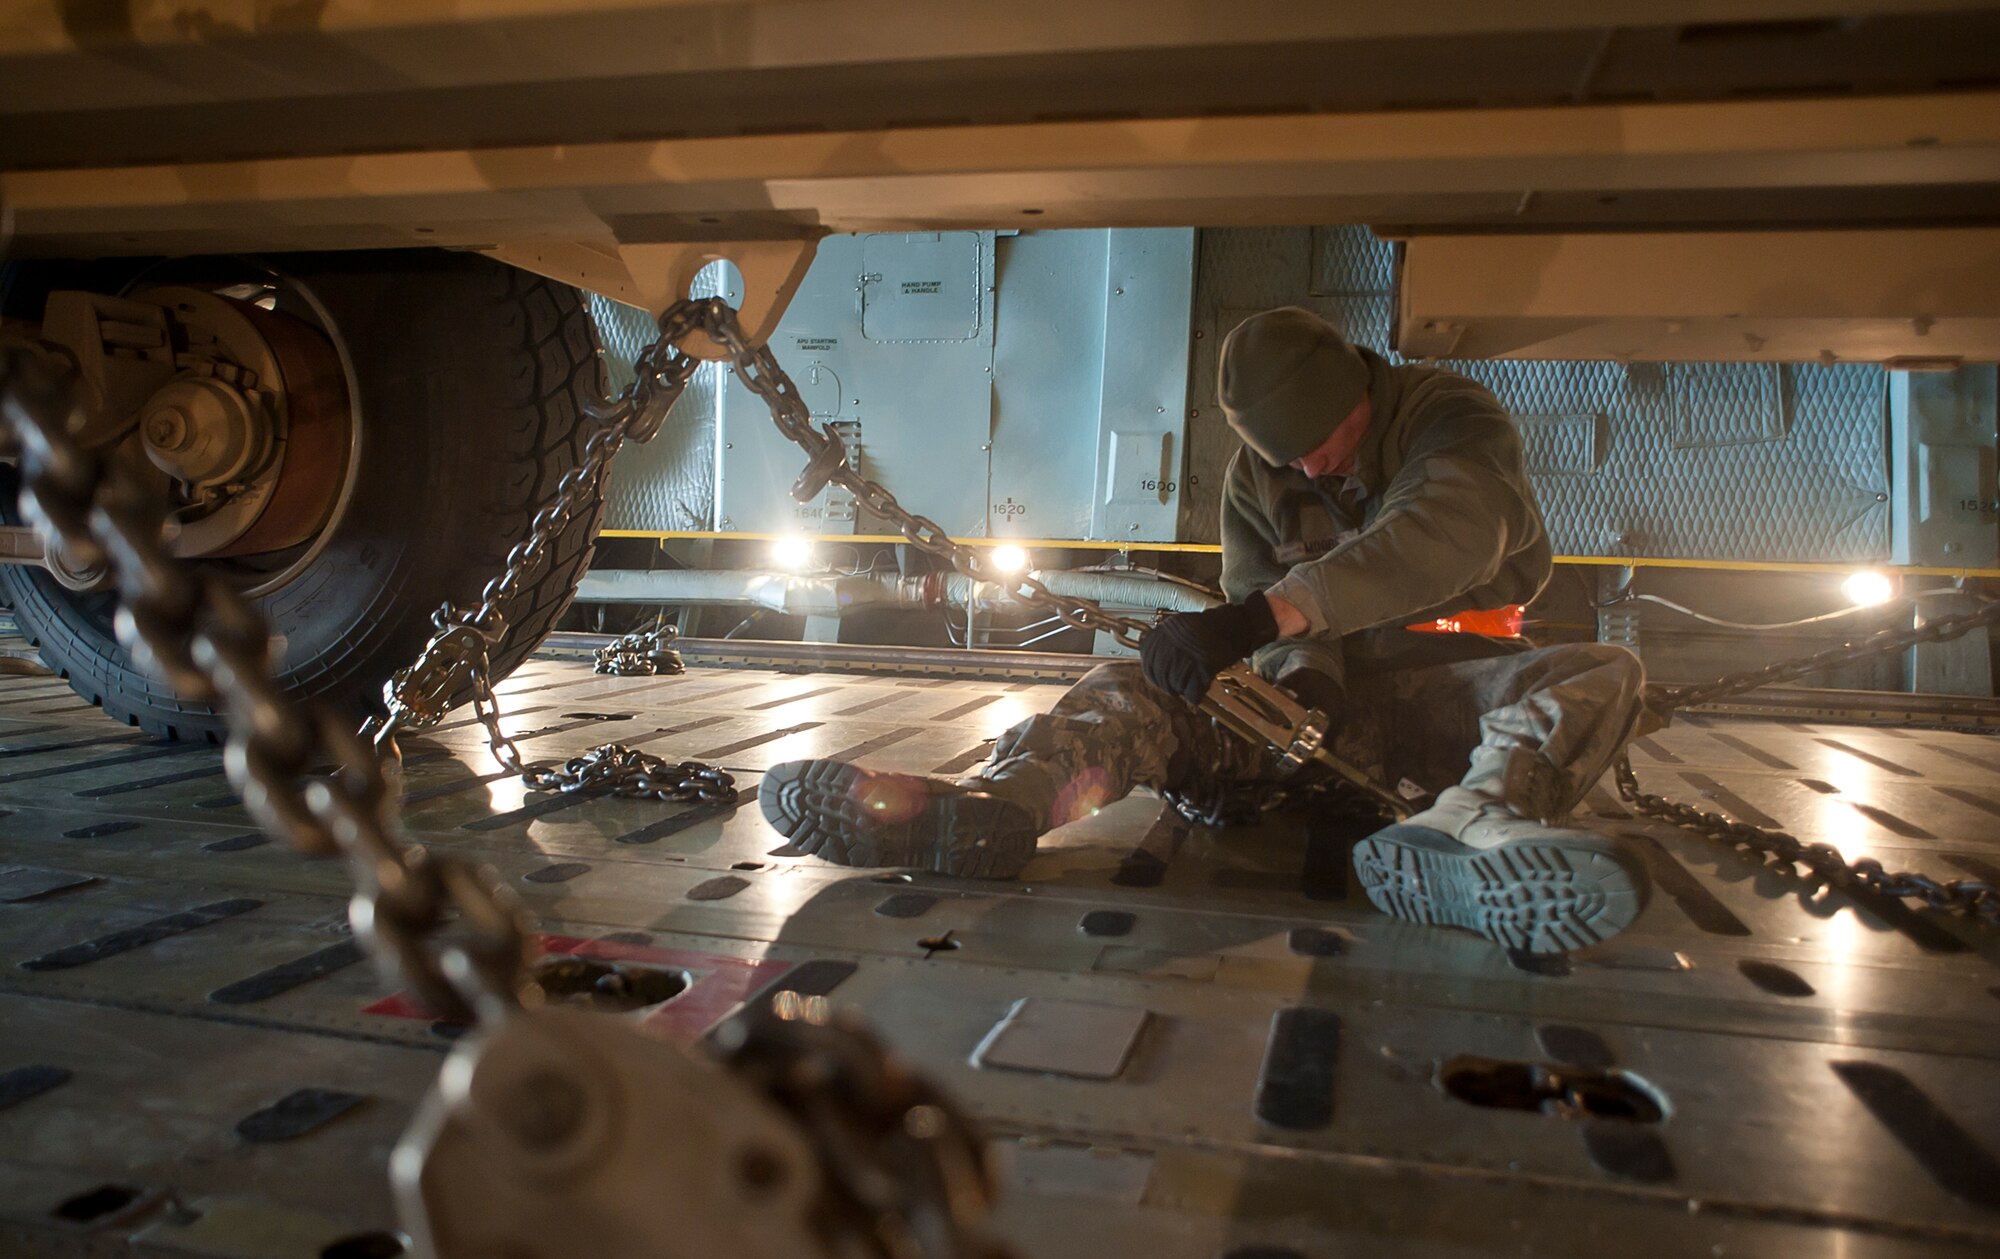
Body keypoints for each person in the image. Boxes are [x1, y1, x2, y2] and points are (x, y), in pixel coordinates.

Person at [760, 307, 1652, 952]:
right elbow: (1259, 592)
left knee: (1600, 670)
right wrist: (1299, 675)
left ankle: (1471, 827)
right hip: (1317, 715)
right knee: (1127, 688)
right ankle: (999, 803)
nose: (1307, 466)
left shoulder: (1453, 420)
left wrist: (1266, 616)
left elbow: (1447, 531)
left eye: (1320, 441)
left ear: (1360, 391)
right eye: (1284, 454)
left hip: (1449, 690)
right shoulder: (1261, 474)